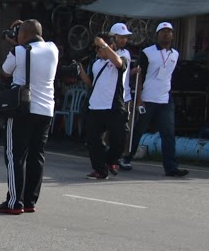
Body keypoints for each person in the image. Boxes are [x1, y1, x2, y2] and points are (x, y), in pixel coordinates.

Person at [0, 20, 60, 215]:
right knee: (36, 156)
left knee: (15, 156)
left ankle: (14, 202)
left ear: (22, 35)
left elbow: (4, 72)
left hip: (23, 109)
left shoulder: (19, 52)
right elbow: (36, 41)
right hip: (46, 110)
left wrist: (15, 44)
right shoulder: (53, 49)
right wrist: (24, 31)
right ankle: (29, 200)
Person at [127, 21, 189, 177]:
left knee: (168, 133)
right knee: (138, 130)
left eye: (169, 31)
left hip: (165, 99)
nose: (166, 34)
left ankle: (171, 166)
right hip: (148, 98)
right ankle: (125, 157)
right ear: (157, 35)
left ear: (173, 35)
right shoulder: (148, 52)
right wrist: (139, 97)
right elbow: (140, 75)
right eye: (163, 31)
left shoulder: (175, 54)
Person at [80, 23, 132, 180]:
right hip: (95, 106)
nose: (98, 51)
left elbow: (119, 64)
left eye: (100, 48)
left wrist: (103, 45)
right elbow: (91, 83)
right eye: (96, 49)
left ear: (109, 46)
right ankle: (100, 169)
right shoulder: (96, 63)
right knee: (93, 141)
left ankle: (110, 161)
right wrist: (80, 69)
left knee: (118, 140)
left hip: (113, 106)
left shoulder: (121, 58)